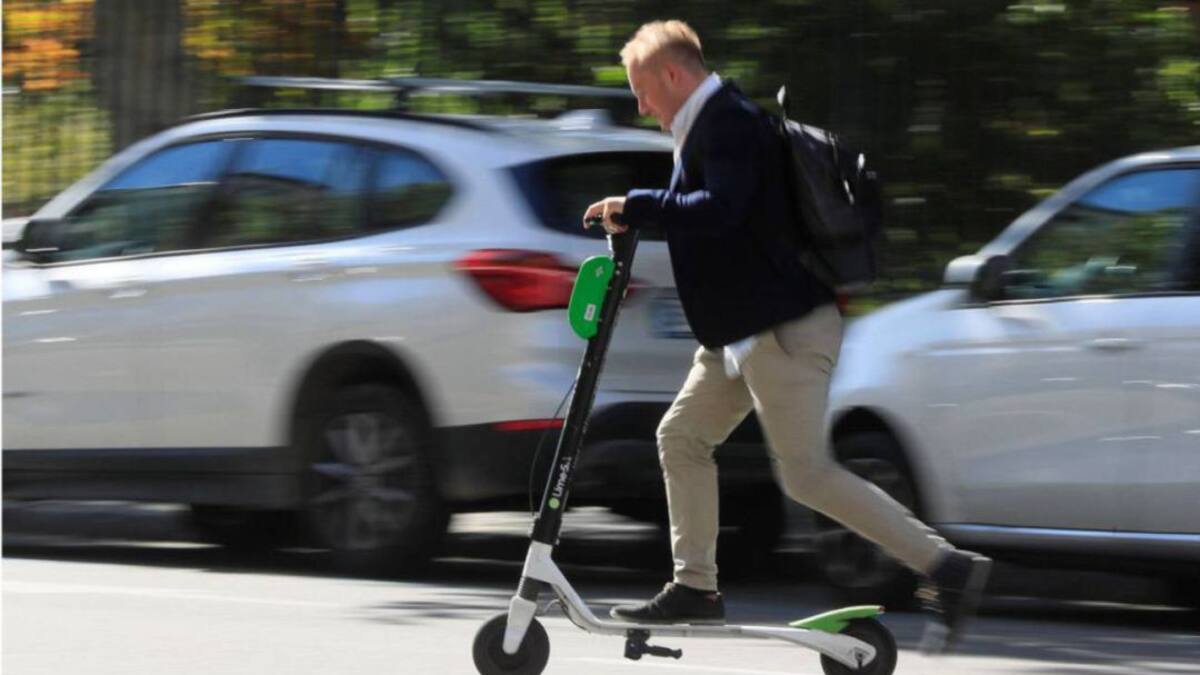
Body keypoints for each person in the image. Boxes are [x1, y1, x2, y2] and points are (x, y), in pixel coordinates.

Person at [582, 19, 991, 653]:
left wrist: (637, 206)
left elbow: (719, 212)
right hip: (741, 335)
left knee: (805, 474)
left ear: (671, 75)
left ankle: (946, 567)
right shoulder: (708, 125)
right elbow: (718, 219)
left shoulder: (731, 123)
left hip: (783, 333)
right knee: (682, 437)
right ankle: (695, 586)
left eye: (642, 90)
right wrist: (638, 211)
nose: (640, 106)